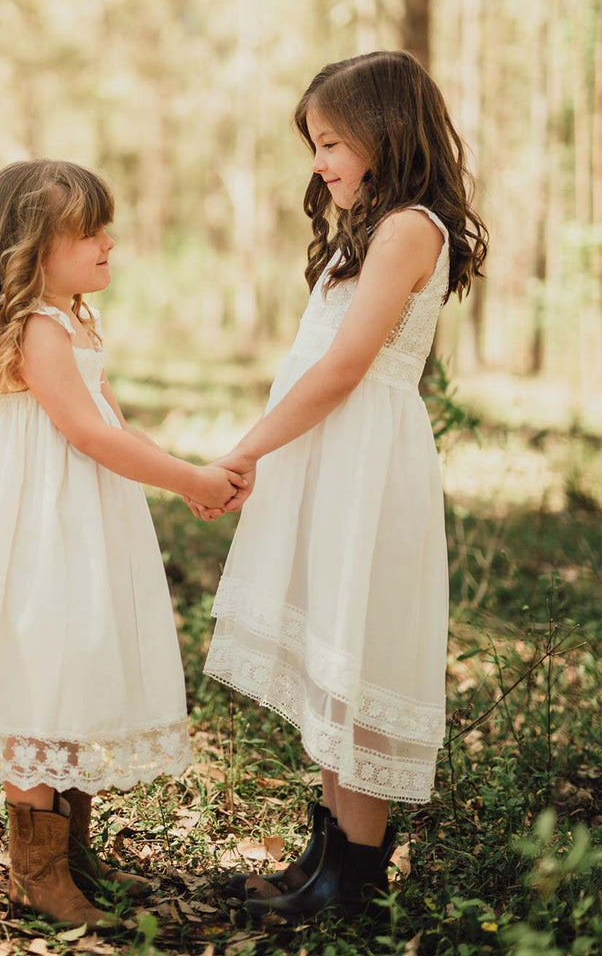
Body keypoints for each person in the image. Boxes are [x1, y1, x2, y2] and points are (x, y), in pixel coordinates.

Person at [189, 51, 488, 924]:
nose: (319, 164)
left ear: (384, 133)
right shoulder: (376, 227)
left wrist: (243, 452)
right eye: (315, 146)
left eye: (330, 143)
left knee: (353, 652)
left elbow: (347, 366)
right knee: (329, 647)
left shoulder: (410, 229)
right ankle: (328, 852)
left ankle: (353, 880)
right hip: (331, 457)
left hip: (365, 465)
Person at [0, 160, 246, 930]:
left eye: (106, 226)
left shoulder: (72, 320)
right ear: (32, 248)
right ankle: (36, 871)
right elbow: (87, 434)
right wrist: (187, 480)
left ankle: (69, 852)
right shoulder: (38, 324)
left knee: (73, 654)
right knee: (38, 665)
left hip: (75, 514)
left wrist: (193, 472)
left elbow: (115, 427)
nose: (109, 242)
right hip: (39, 520)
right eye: (88, 231)